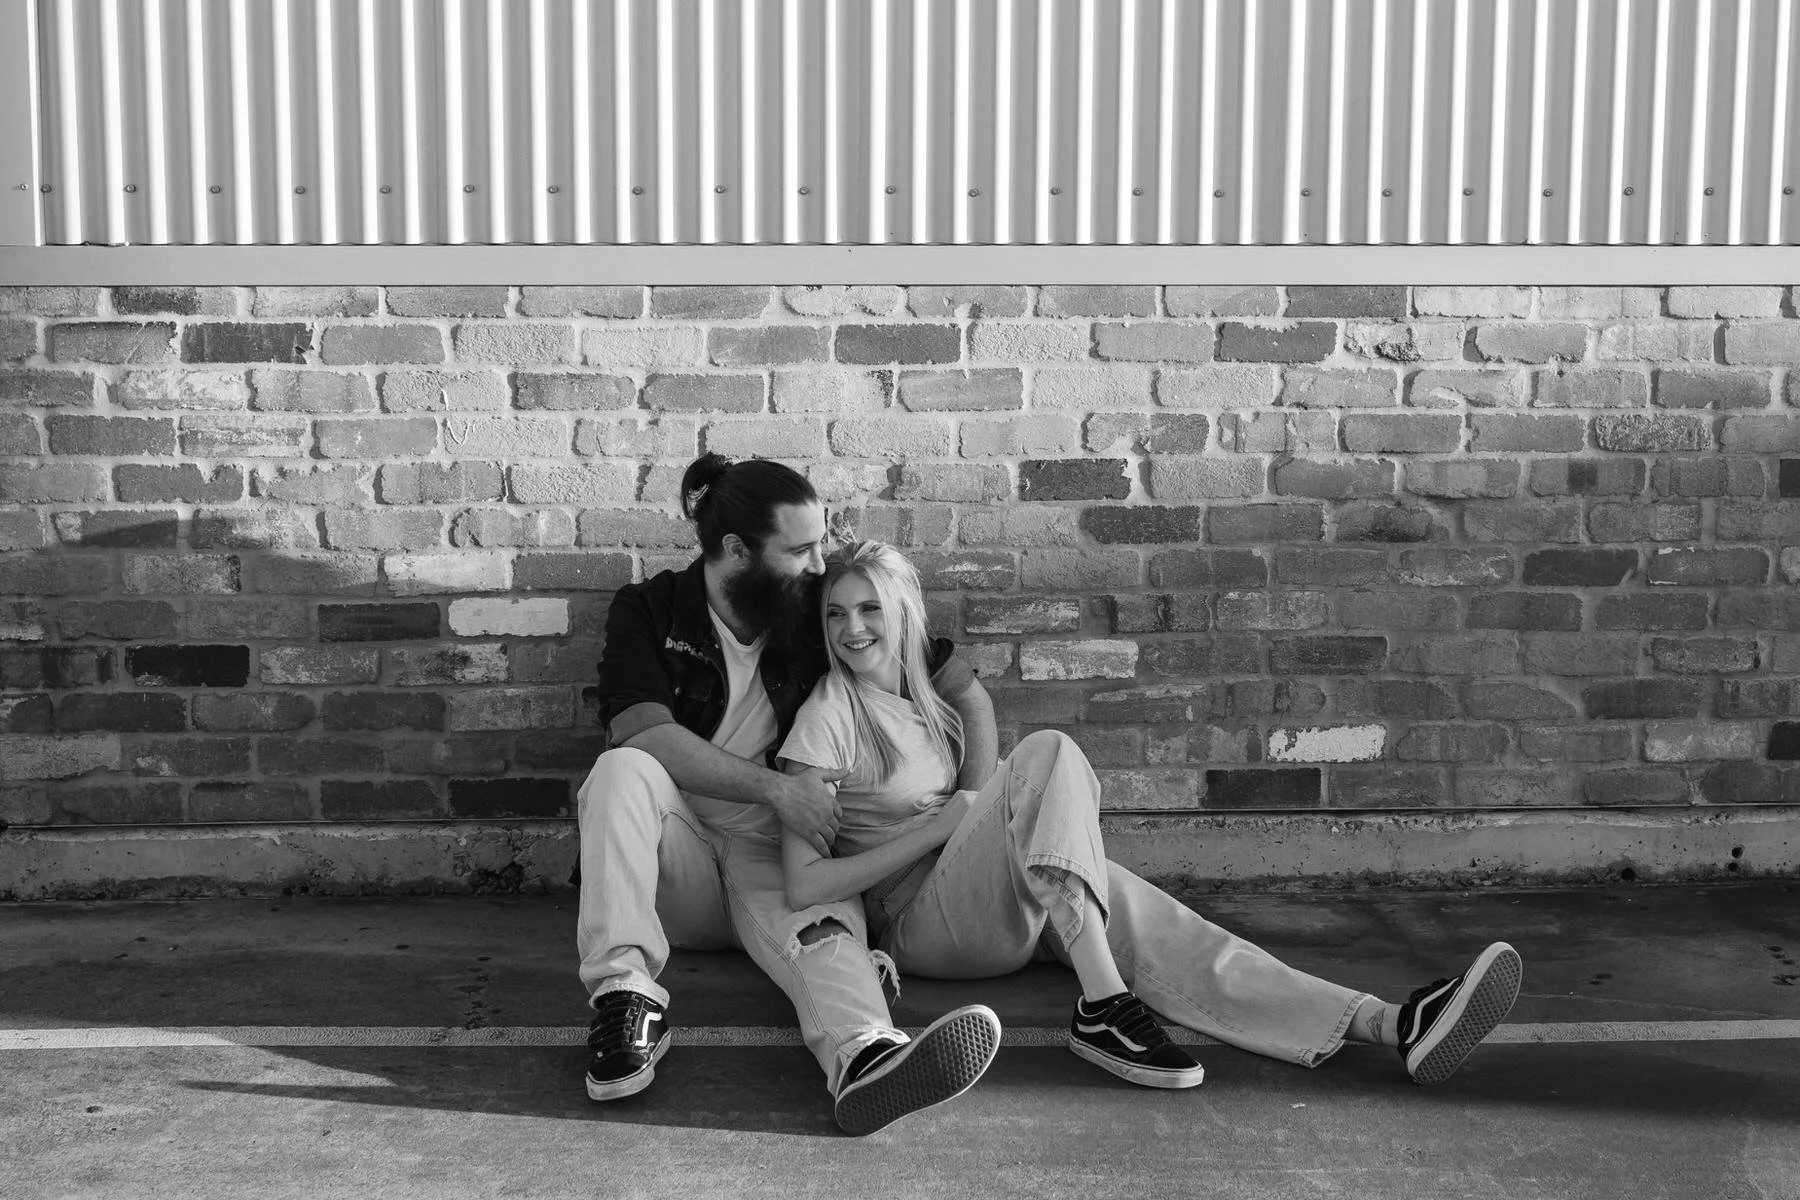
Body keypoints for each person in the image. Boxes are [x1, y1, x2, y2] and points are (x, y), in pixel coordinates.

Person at [776, 540, 1524, 1089]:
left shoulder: (923, 700)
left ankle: (1391, 1023)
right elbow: (808, 886)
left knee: (1187, 941)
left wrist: (971, 821)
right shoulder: (828, 714)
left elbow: (972, 728)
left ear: (905, 611)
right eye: (836, 613)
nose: (852, 629)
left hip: (989, 890)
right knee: (1049, 753)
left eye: (871, 607)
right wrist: (939, 828)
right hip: (924, 926)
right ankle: (1105, 1005)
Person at [576, 454, 1001, 1137]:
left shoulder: (812, 613)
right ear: (737, 551)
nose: (815, 567)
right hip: (673, 858)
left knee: (822, 928)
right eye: (799, 550)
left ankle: (865, 1055)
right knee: (621, 771)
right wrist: (780, 789)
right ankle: (626, 998)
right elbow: (643, 732)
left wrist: (970, 803)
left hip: (774, 850)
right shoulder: (650, 610)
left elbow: (962, 691)